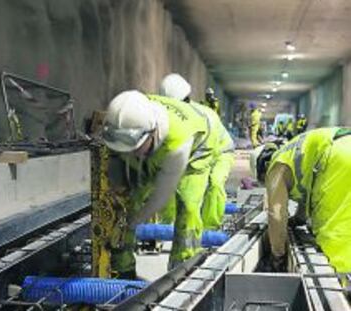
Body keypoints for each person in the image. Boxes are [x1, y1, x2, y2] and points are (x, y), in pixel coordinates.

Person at [102, 90, 214, 278]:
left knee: (187, 206)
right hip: (156, 148)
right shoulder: (131, 116)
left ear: (151, 133)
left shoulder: (177, 143)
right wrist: (117, 193)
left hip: (198, 148)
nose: (130, 153)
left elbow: (161, 196)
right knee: (128, 201)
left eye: (135, 147)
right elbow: (118, 159)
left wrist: (135, 221)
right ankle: (122, 269)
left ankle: (182, 268)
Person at [250, 127, 351, 273]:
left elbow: (276, 214)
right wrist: (299, 218)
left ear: (262, 170)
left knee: (334, 230)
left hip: (339, 159)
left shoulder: (275, 168)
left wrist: (277, 255)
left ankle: (343, 283)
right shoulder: (293, 154)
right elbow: (307, 198)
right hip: (344, 145)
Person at [159, 73, 235, 230]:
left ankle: (210, 228)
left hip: (219, 151)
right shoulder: (165, 116)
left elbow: (204, 154)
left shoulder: (206, 117)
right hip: (193, 153)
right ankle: (166, 226)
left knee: (214, 184)